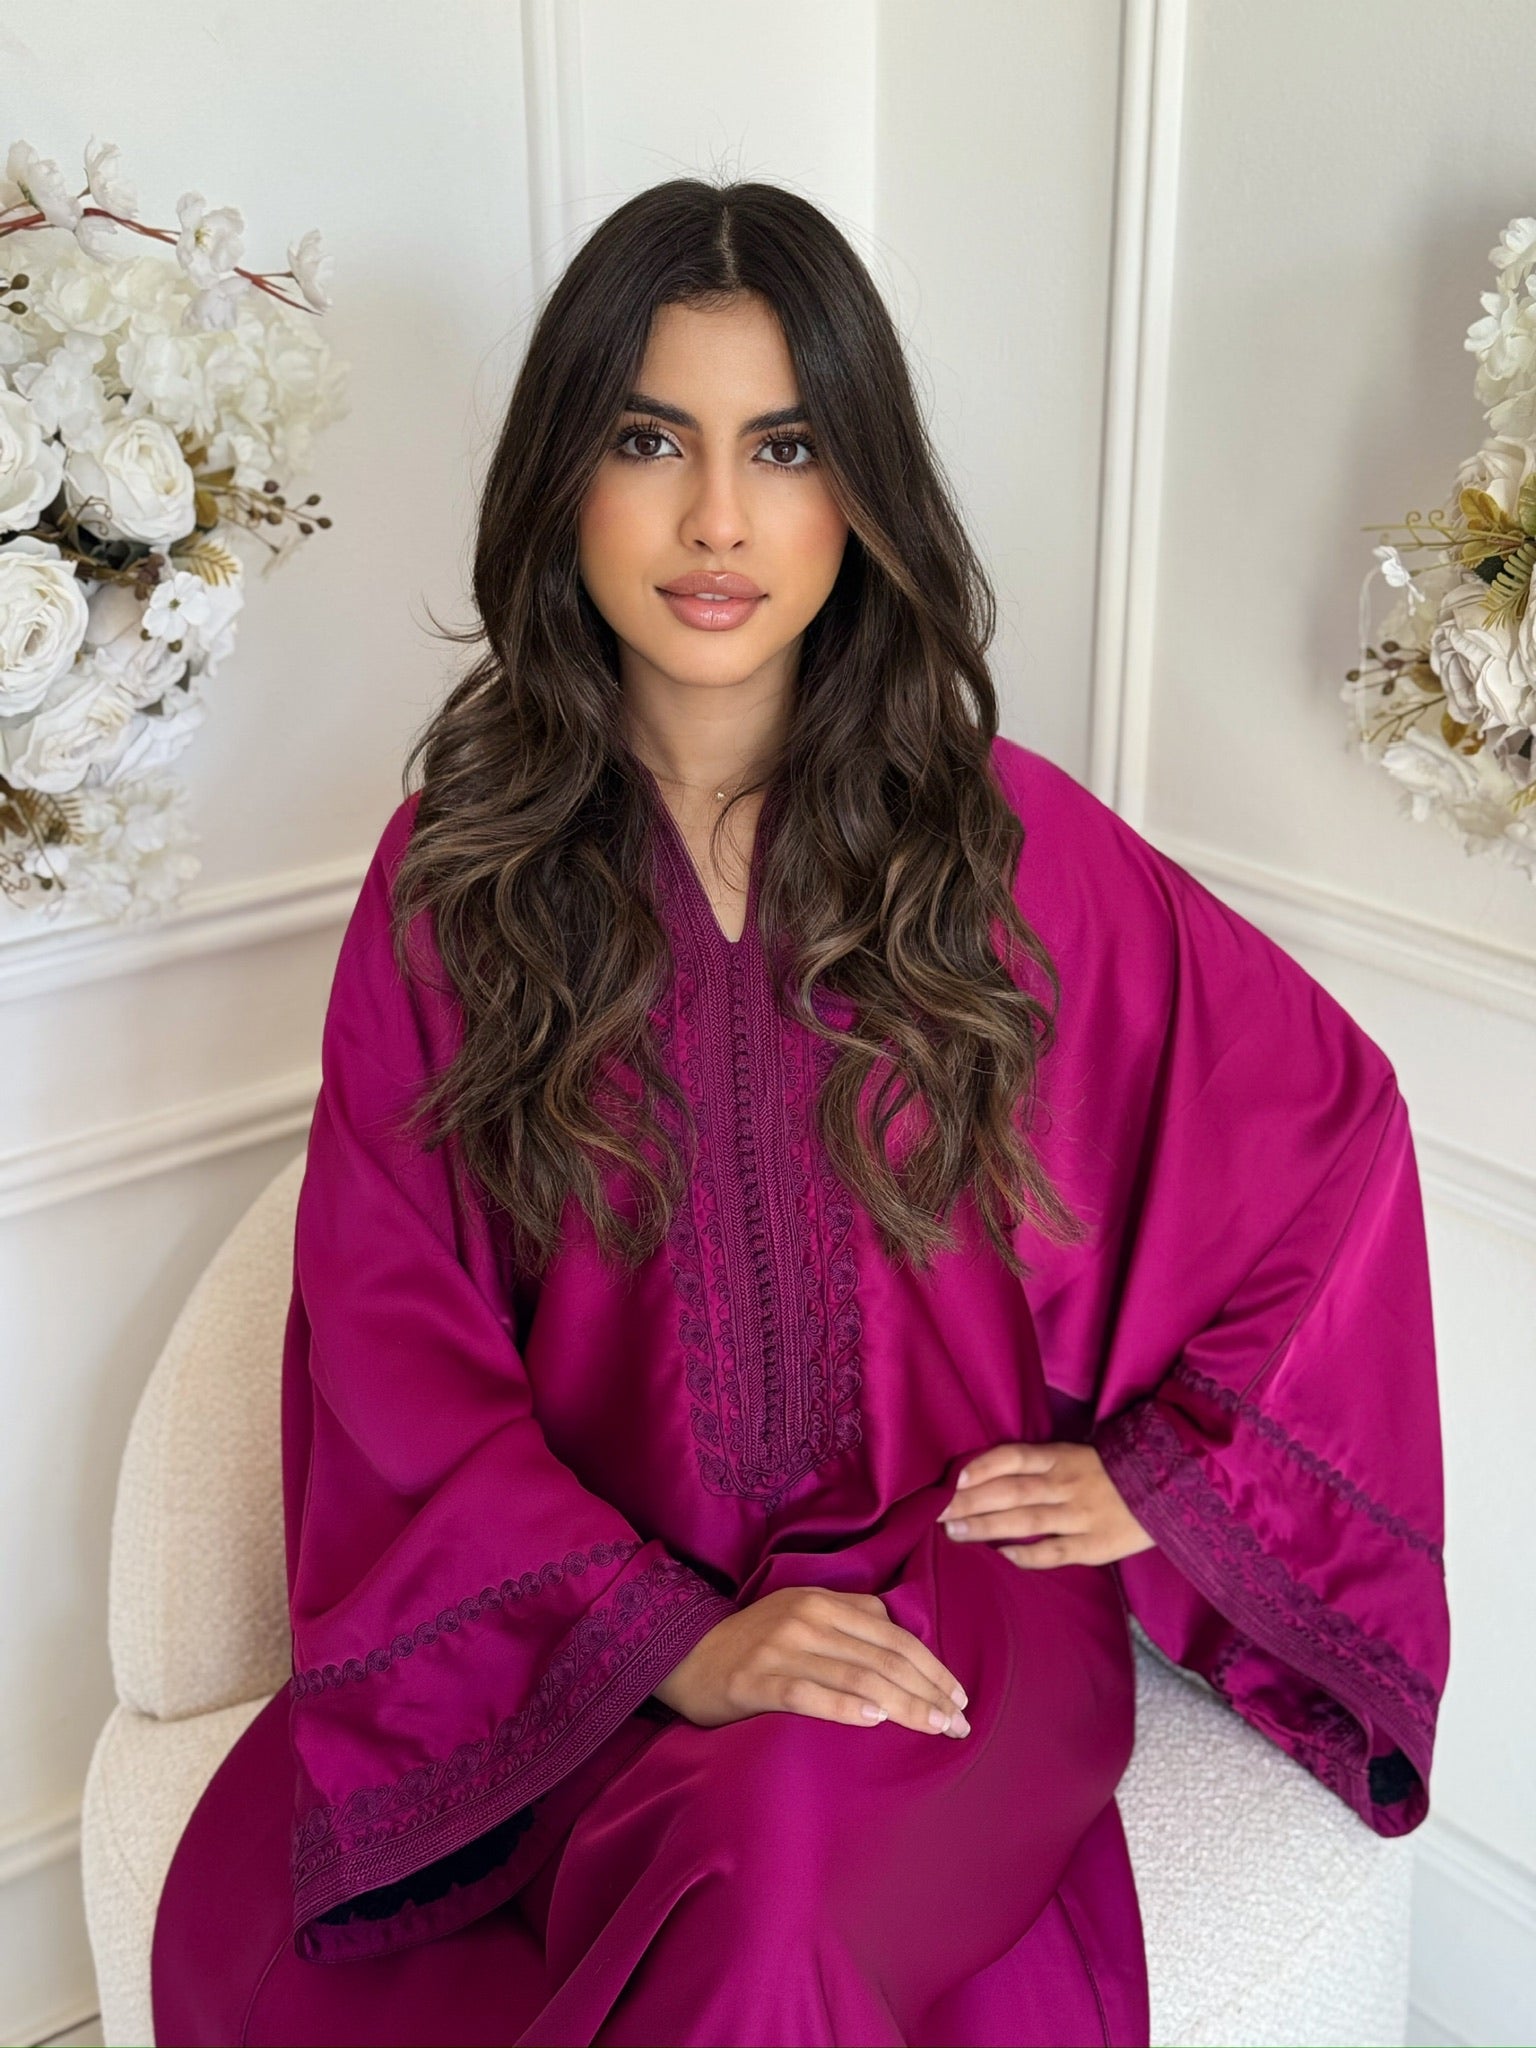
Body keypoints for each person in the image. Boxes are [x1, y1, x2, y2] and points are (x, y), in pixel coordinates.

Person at [150, 178, 1450, 2048]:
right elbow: (391, 1340)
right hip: (580, 1625)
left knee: (770, 1892)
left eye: (785, 447)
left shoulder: (1002, 848)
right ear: (563, 480)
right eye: (648, 440)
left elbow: (1327, 1140)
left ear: (862, 491)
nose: (717, 519)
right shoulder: (455, 887)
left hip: (947, 1620)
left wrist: (1159, 1477)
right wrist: (670, 1642)